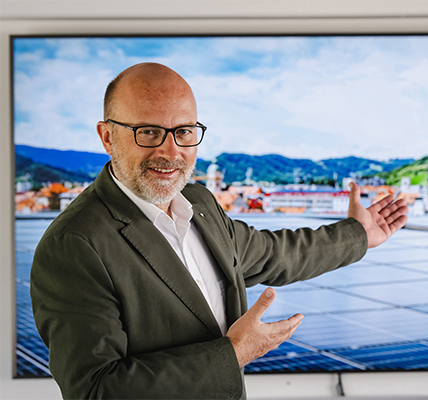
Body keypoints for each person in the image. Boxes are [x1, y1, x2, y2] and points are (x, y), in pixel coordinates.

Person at [30, 63, 408, 399]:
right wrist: (235, 353)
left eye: (184, 131)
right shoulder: (74, 245)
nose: (170, 150)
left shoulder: (199, 203)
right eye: (148, 132)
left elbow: (276, 253)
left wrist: (360, 233)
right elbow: (95, 391)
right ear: (107, 136)